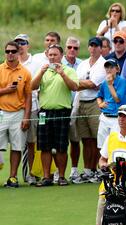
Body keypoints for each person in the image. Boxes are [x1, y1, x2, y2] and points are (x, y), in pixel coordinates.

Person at [31, 44, 79, 187]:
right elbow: (32, 86)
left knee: (61, 146)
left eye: (55, 55)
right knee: (44, 146)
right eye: (50, 55)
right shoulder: (43, 70)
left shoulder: (68, 70)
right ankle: (47, 177)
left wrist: (62, 74)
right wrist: (40, 72)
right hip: (44, 112)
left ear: (61, 56)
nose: (52, 57)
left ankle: (62, 176)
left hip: (62, 112)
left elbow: (74, 87)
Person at [73, 37, 106, 184]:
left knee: (98, 139)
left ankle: (100, 170)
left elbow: (94, 83)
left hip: (95, 103)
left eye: (96, 46)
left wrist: (78, 84)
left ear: (101, 48)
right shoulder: (83, 64)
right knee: (86, 139)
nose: (93, 48)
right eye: (91, 46)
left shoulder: (103, 64)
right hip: (81, 102)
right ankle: (88, 170)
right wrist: (80, 84)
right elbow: (78, 83)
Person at [0, 41, 32, 188]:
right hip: (1, 113)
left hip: (18, 113)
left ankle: (12, 177)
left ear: (19, 52)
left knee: (16, 147)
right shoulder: (0, 69)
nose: (10, 54)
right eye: (8, 51)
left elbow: (28, 97)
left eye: (13, 51)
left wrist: (26, 117)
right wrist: (6, 90)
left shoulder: (25, 72)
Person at [14, 34, 41, 185]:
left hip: (33, 107)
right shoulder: (11, 62)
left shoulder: (35, 62)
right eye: (17, 43)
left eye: (23, 43)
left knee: (32, 142)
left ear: (28, 45)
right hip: (14, 108)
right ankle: (14, 175)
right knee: (17, 143)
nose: (20, 45)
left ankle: (31, 174)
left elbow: (37, 86)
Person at [62, 37, 83, 182]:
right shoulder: (58, 63)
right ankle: (58, 171)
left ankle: (74, 170)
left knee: (75, 140)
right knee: (60, 142)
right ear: (65, 48)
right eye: (69, 47)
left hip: (76, 106)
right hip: (61, 106)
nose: (72, 50)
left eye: (75, 48)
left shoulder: (82, 64)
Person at [96, 58, 126, 149]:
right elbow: (99, 96)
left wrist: (110, 84)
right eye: (107, 67)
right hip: (105, 116)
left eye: (111, 67)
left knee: (115, 146)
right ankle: (103, 163)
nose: (108, 70)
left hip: (116, 118)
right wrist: (100, 104)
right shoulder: (104, 82)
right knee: (102, 147)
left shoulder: (122, 81)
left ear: (117, 69)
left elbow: (117, 99)